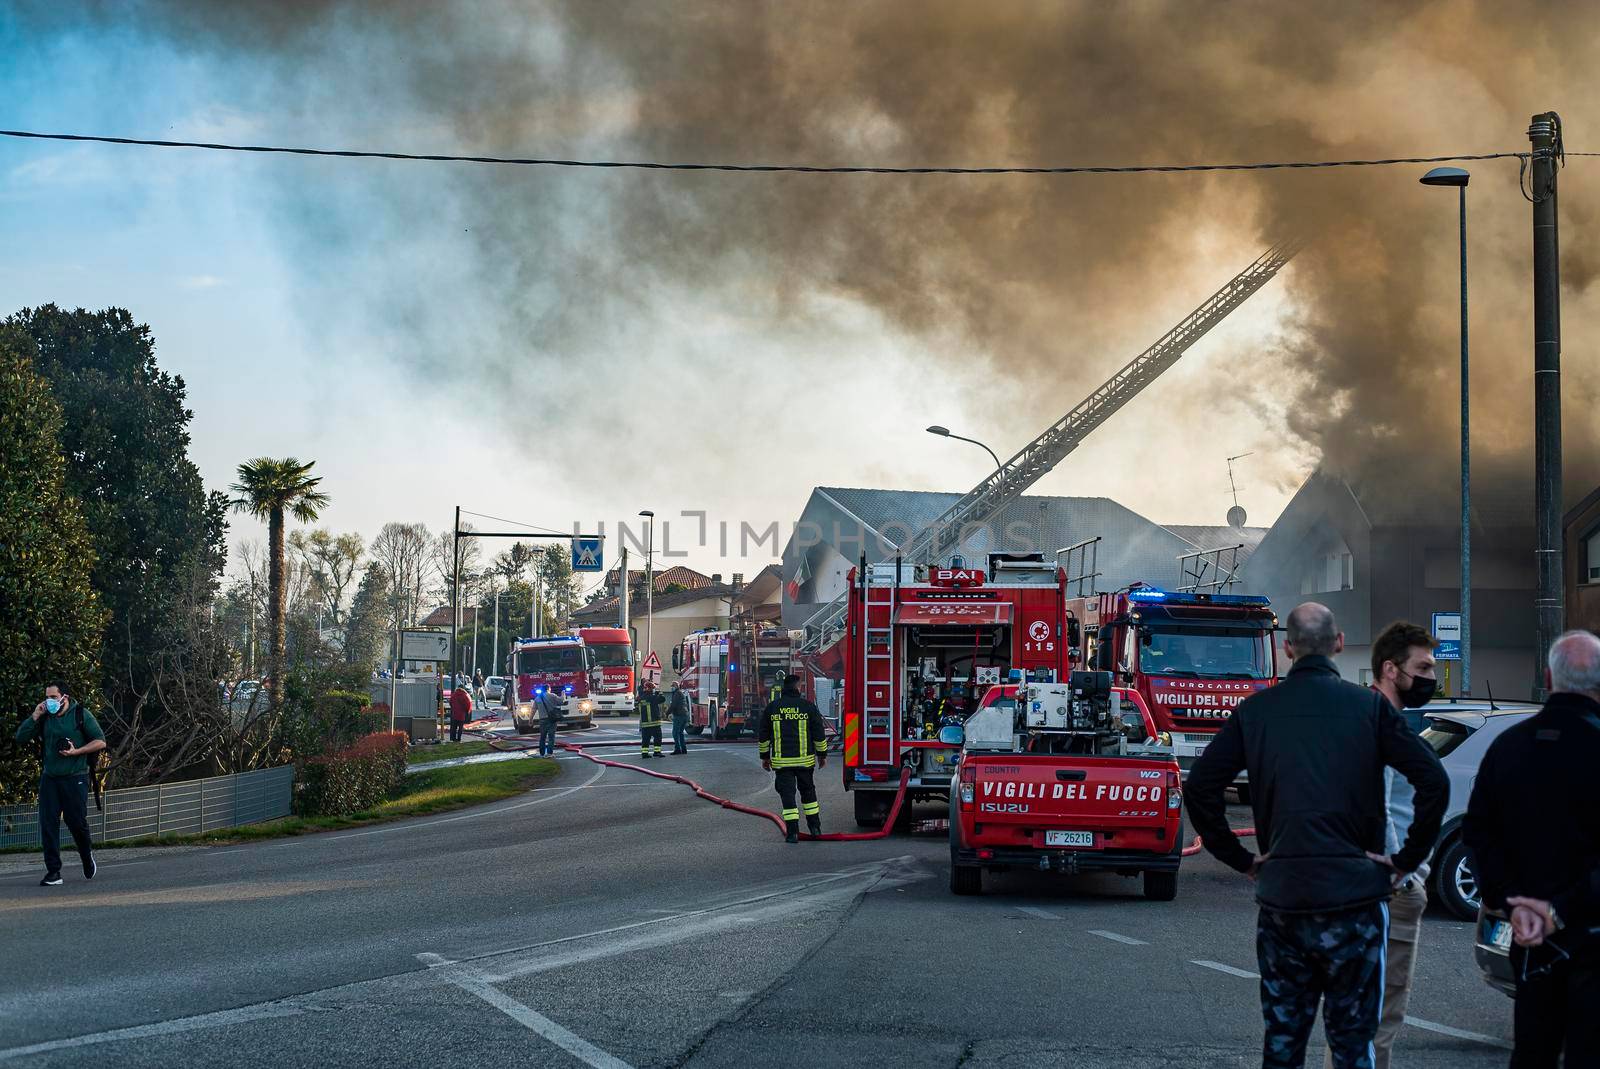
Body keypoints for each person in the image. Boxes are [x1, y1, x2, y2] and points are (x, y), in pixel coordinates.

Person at [1186, 603, 1447, 1069]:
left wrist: (1241, 859)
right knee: (1352, 1045)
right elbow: (1433, 781)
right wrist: (1406, 859)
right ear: (1340, 643)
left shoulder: (1257, 711)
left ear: (1287, 649)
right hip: (1356, 904)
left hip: (1284, 902)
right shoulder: (1369, 708)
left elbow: (1201, 786)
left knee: (1283, 1043)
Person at [1463, 630, 1600, 1066]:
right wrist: (1560, 908)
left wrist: (1511, 902)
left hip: (1529, 940)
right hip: (1592, 936)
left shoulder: (1508, 745)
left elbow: (1479, 831)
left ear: (1547, 677)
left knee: (1533, 1050)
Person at [1320, 621, 1438, 1069]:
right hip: (1387, 890)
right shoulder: (1378, 724)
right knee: (1379, 1017)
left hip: (1359, 885)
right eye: (1423, 666)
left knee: (1356, 1014)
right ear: (1391, 669)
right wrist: (1401, 874)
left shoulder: (1362, 718)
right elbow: (1381, 806)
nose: (1431, 676)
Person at [15, 681, 106, 887]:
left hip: (75, 776)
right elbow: (20, 737)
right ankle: (53, 872)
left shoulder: (80, 714)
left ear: (64, 697)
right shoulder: (44, 717)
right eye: (47, 697)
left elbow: (100, 741)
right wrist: (35, 716)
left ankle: (85, 854)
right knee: (48, 823)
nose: (50, 701)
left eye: (54, 697)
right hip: (50, 778)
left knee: (76, 822)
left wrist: (76, 751)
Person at [758, 674, 829, 844]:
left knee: (788, 796)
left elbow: (764, 736)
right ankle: (815, 829)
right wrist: (822, 755)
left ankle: (792, 833)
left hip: (782, 764)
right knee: (809, 794)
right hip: (805, 762)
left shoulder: (772, 708)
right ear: (798, 687)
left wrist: (765, 757)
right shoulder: (808, 707)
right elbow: (819, 734)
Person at [637, 681, 666, 759]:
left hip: (645, 723)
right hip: (654, 723)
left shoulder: (641, 698)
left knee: (645, 739)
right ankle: (657, 752)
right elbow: (662, 699)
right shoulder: (652, 697)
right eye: (653, 688)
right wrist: (659, 692)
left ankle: (644, 753)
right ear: (650, 689)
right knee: (658, 738)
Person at [536, 686, 561, 757]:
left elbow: (533, 709)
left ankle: (542, 753)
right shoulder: (552, 695)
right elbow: (561, 701)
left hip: (542, 720)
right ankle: (549, 753)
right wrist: (563, 694)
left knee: (542, 737)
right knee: (551, 736)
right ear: (548, 689)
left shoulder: (537, 698)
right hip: (551, 719)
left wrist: (530, 719)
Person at [667, 681, 691, 755]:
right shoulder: (680, 693)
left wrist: (667, 712)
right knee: (680, 733)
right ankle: (683, 749)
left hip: (679, 715)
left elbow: (674, 705)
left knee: (675, 733)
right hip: (684, 715)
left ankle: (677, 749)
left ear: (676, 686)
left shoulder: (677, 693)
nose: (672, 687)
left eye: (673, 686)